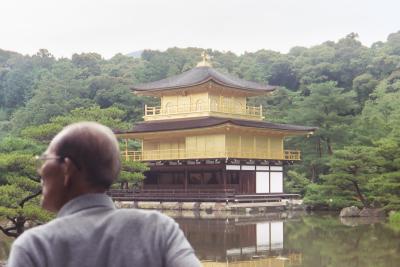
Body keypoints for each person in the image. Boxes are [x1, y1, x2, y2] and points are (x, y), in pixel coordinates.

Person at [7, 122, 201, 267]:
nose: (40, 171)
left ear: (67, 169)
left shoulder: (35, 246)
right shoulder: (158, 229)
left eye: (45, 159)